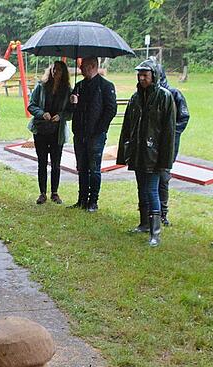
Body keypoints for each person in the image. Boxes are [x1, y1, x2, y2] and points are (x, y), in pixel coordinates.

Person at [117, 60, 175, 247]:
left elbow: (168, 132)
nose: (142, 78)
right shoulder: (135, 98)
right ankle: (144, 223)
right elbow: (127, 127)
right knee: (142, 189)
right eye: (140, 75)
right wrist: (125, 150)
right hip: (138, 151)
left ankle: (155, 232)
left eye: (145, 75)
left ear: (154, 76)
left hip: (154, 153)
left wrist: (164, 160)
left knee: (151, 190)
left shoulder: (164, 97)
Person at [66, 57, 117, 212]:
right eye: (81, 67)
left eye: (84, 67)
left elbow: (110, 110)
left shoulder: (106, 86)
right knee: (82, 167)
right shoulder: (79, 86)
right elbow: (72, 110)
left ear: (93, 66)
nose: (81, 69)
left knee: (94, 168)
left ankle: (93, 201)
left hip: (96, 134)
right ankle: (81, 199)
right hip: (80, 132)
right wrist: (73, 102)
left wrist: (100, 129)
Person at [27, 60, 72, 205]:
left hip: (57, 131)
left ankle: (55, 192)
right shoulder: (41, 87)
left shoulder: (67, 90)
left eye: (58, 70)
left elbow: (71, 111)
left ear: (63, 72)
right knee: (42, 162)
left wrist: (61, 116)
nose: (55, 72)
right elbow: (31, 105)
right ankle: (42, 193)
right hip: (40, 129)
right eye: (53, 69)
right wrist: (41, 113)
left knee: (56, 163)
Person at [156, 61, 189, 227]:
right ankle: (151, 211)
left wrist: (168, 134)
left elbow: (183, 118)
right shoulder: (147, 93)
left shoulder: (173, 94)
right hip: (151, 144)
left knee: (163, 177)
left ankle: (162, 213)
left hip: (168, 145)